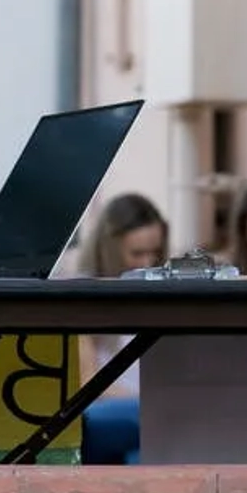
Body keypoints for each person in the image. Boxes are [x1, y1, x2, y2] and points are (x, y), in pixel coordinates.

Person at [76, 193, 168, 465]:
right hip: (108, 412)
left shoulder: (165, 293)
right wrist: (155, 407)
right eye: (137, 253)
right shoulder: (83, 294)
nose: (147, 263)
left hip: (151, 414)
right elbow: (89, 385)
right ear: (110, 249)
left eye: (155, 253)